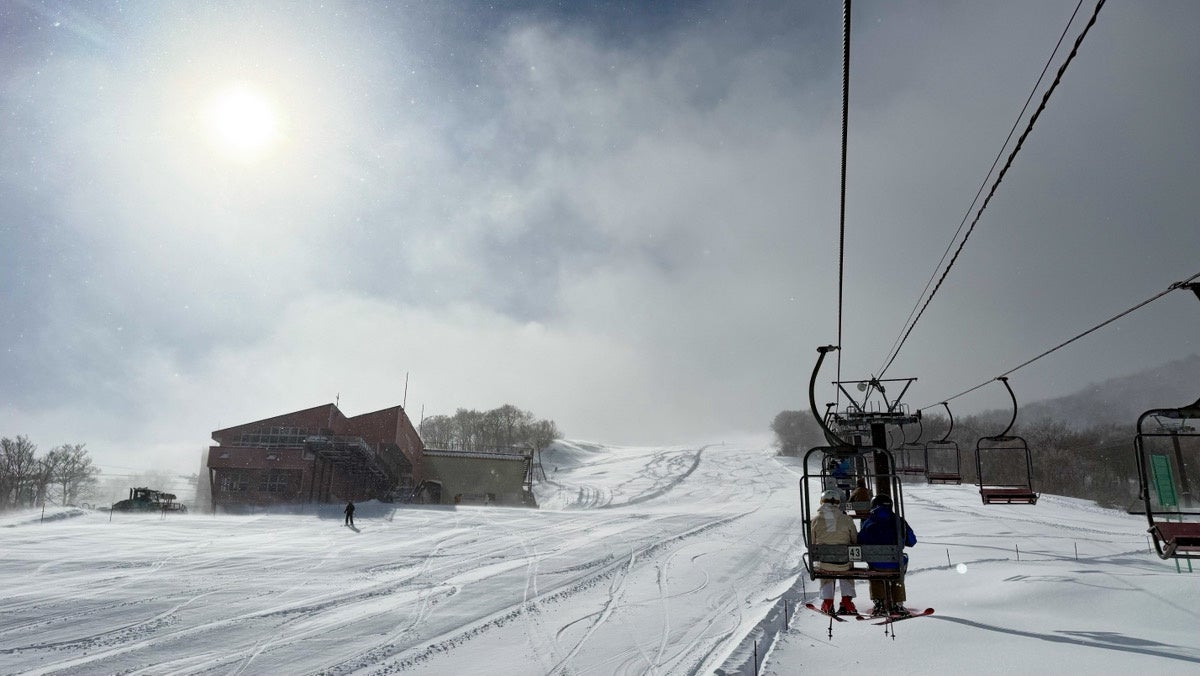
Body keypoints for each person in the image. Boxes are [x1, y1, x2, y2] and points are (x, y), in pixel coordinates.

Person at [857, 494, 916, 616]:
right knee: (898, 573)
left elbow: (860, 541)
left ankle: (879, 602)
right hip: (895, 564)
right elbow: (912, 541)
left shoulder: (868, 522)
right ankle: (897, 603)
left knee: (874, 573)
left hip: (876, 565)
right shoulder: (899, 521)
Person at [810, 489, 859, 615]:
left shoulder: (815, 520)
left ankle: (828, 602)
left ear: (822, 502)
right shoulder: (846, 519)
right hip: (844, 563)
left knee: (826, 570)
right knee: (846, 569)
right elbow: (854, 540)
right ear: (838, 503)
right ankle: (847, 601)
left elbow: (812, 542)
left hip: (825, 562)